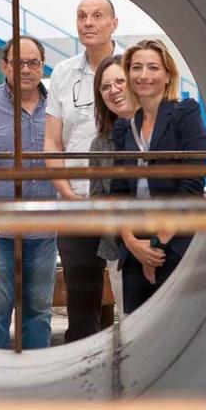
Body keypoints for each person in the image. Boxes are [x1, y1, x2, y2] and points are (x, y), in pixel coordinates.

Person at [110, 39, 206, 314]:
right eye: (137, 67)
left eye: (153, 67)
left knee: (178, 324)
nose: (144, 75)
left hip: (175, 241)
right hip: (134, 245)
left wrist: (156, 245)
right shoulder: (124, 127)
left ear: (167, 75)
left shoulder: (184, 113)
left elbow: (192, 182)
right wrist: (132, 242)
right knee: (135, 334)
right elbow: (119, 191)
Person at [44, 0, 123, 342]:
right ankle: (84, 375)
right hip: (75, 200)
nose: (88, 22)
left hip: (122, 198)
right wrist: (66, 192)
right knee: (82, 298)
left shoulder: (130, 67)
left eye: (96, 16)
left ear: (113, 23)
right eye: (81, 16)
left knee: (129, 289)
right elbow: (52, 142)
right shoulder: (63, 73)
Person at [0, 35, 57, 349]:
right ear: (4, 65)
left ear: (42, 67)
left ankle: (37, 381)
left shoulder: (57, 106)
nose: (26, 69)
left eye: (34, 62)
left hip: (44, 230)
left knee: (39, 312)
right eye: (18, 62)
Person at [88, 54, 135, 316]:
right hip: (118, 251)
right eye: (105, 87)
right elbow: (98, 201)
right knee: (130, 321)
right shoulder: (100, 144)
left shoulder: (163, 129)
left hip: (164, 246)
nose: (113, 90)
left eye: (119, 81)